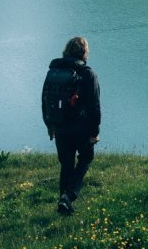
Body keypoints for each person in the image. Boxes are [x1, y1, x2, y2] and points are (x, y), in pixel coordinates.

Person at [42, 36, 101, 215]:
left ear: (66, 51)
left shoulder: (54, 72)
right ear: (84, 52)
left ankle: (64, 205)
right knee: (85, 159)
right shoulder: (88, 73)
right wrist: (94, 132)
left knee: (66, 165)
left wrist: (49, 125)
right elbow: (94, 107)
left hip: (60, 126)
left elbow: (45, 100)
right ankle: (69, 195)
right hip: (81, 128)